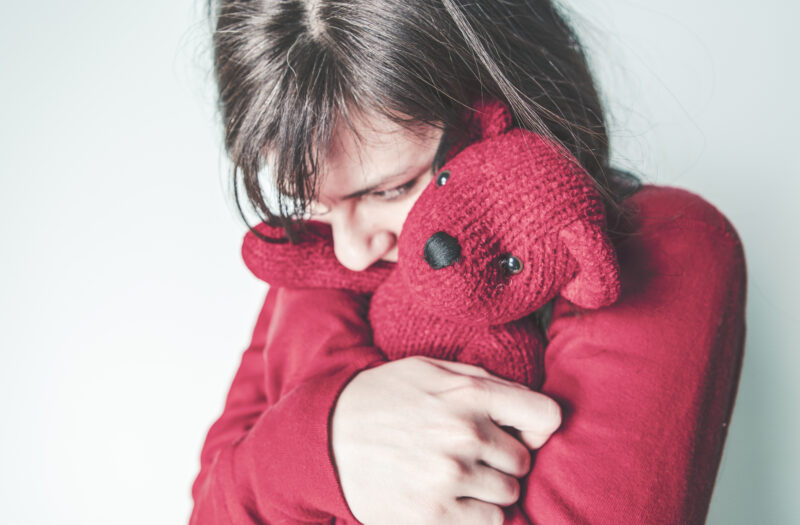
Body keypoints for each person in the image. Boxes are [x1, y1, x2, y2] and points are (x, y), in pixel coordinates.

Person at [190, 1, 747, 524]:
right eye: (313, 205)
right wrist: (323, 443)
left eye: (390, 189)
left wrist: (275, 473)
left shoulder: (665, 248)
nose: (349, 251)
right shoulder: (313, 271)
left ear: (501, 107)